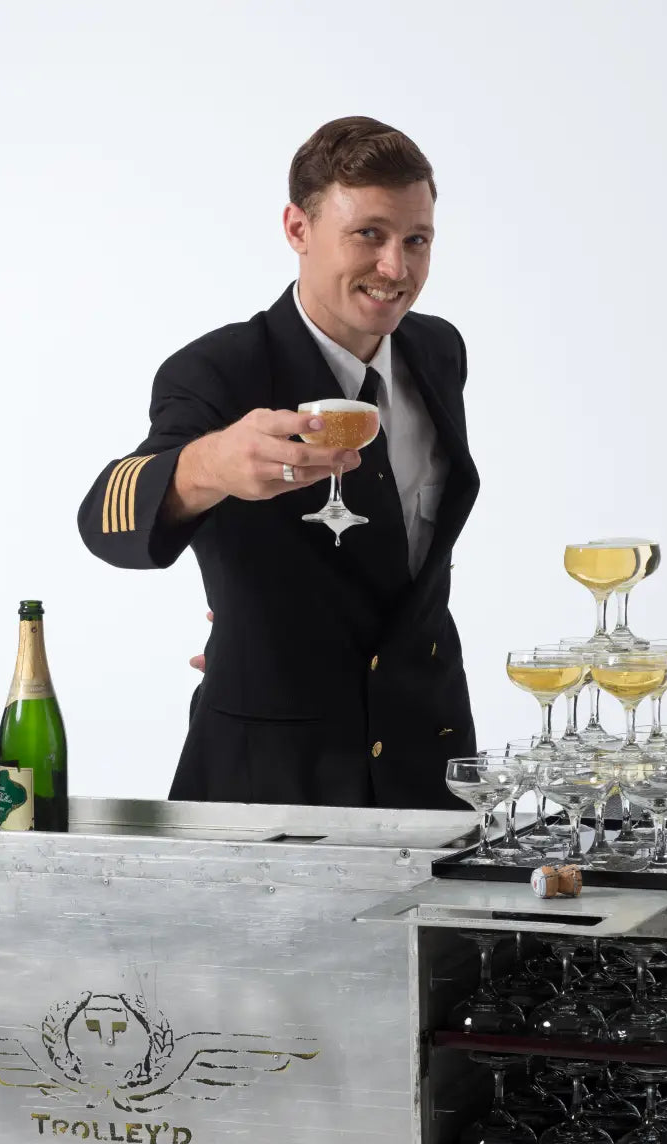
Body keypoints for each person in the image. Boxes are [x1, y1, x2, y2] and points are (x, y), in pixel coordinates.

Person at [77, 116, 480, 808]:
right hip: (273, 785)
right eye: (369, 235)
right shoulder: (220, 371)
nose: (397, 268)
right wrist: (206, 467)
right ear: (297, 229)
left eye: (417, 240)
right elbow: (103, 518)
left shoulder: (438, 350)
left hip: (433, 766)